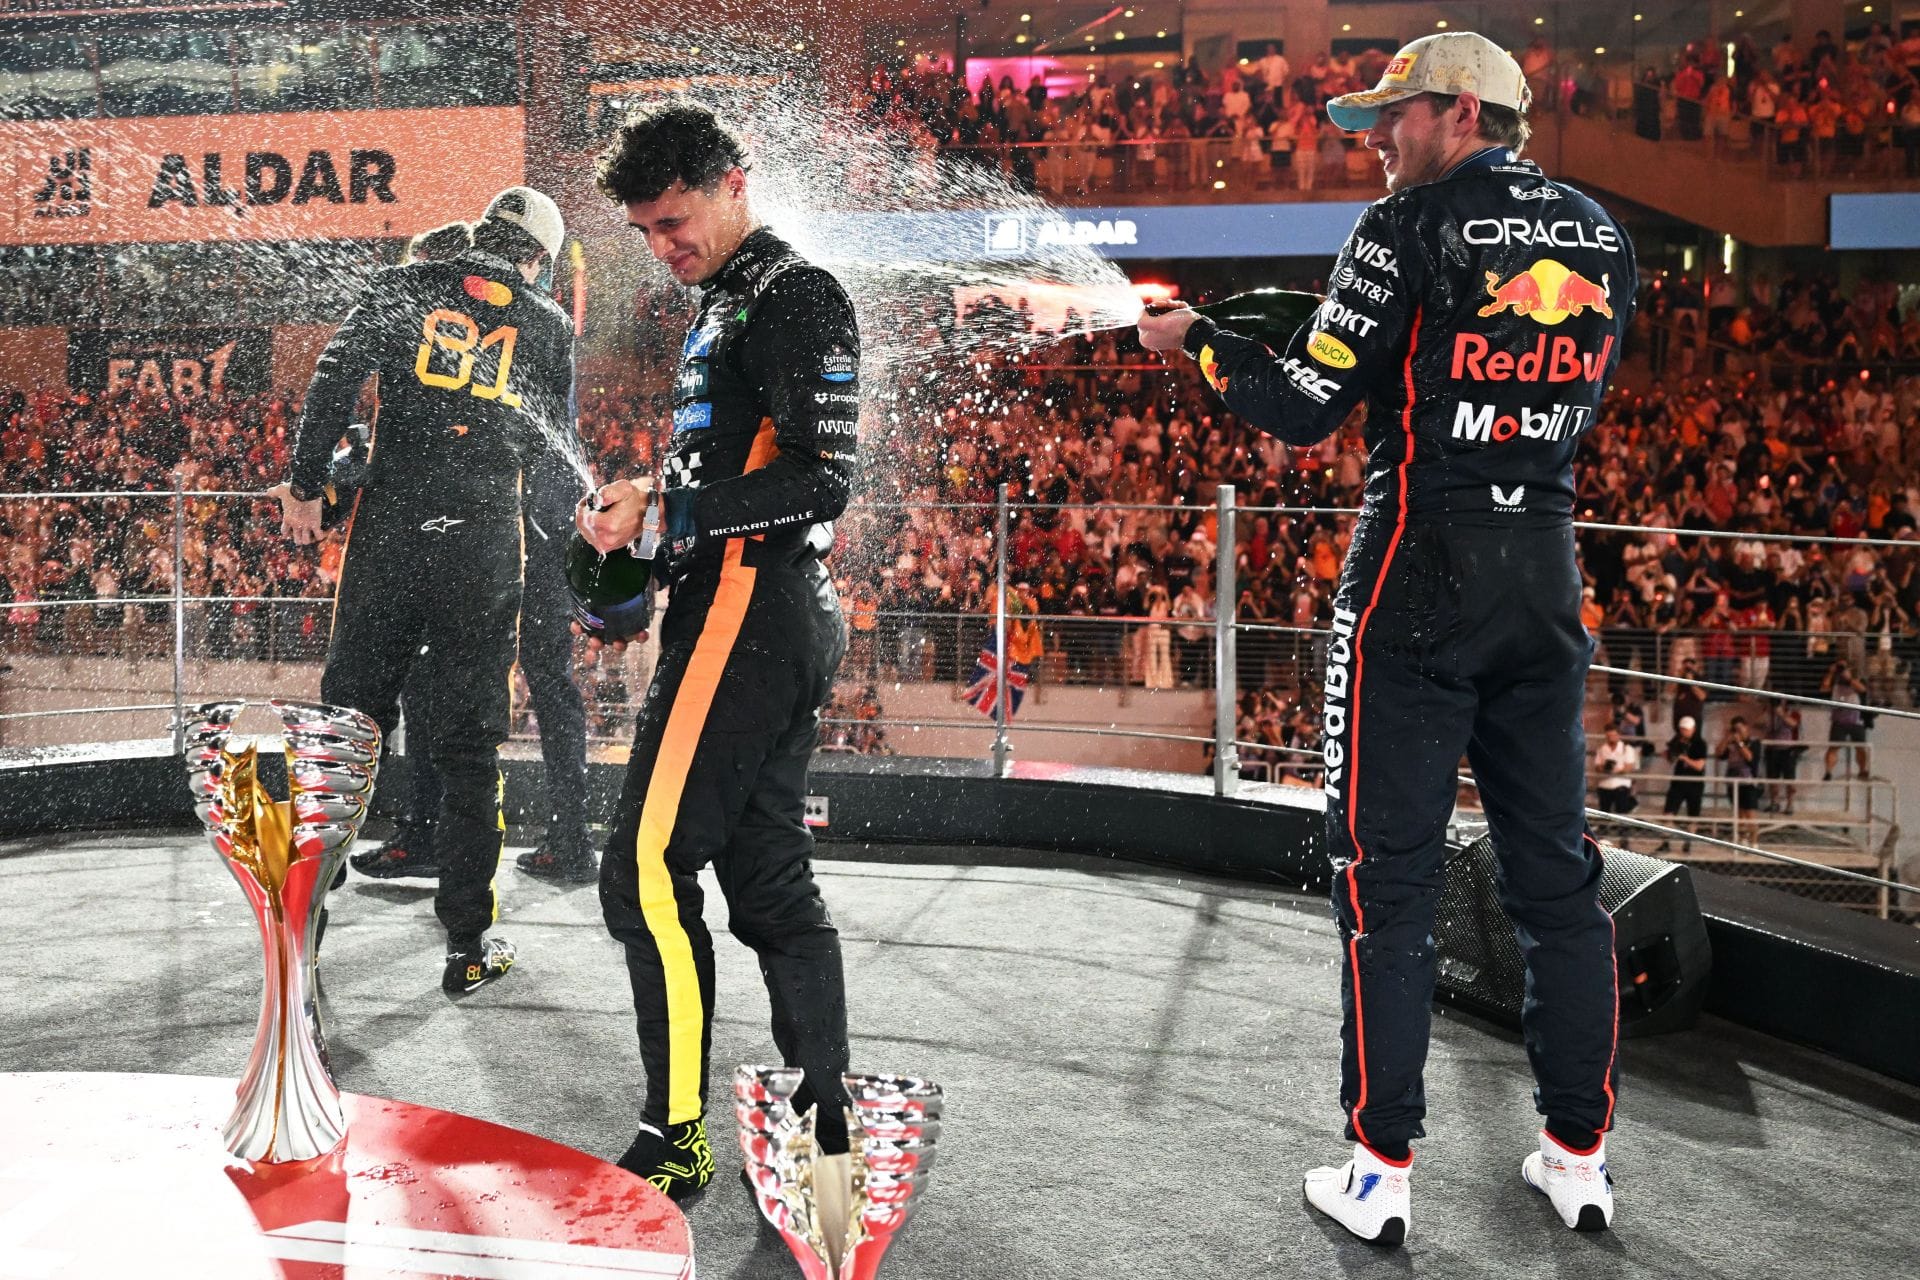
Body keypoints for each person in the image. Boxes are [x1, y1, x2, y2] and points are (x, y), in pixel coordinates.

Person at [1138, 30, 1634, 1243]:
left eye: (1392, 118)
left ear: (1459, 111)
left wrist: (1197, 341)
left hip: (1415, 578)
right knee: (1559, 883)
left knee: (1387, 884)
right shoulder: (1605, 233)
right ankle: (1579, 1155)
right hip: (1544, 579)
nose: (1376, 141)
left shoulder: (1402, 226)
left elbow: (1303, 405)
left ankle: (1378, 1170)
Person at [581, 101, 860, 1200]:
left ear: (735, 181)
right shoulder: (728, 303)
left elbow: (818, 478)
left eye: (676, 219)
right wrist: (642, 545)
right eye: (646, 230)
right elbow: (733, 480)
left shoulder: (795, 295)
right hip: (747, 610)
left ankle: (678, 1129)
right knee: (766, 881)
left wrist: (668, 505)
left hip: (753, 616)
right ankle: (821, 1119)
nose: (663, 245)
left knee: (642, 869)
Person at [273, 187, 575, 994]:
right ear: (537, 257)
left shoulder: (407, 285)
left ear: (479, 231)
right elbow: (555, 457)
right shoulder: (550, 324)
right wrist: (562, 559)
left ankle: (301, 933)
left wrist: (306, 480)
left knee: (347, 724)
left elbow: (335, 377)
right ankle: (468, 944)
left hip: (393, 529)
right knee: (472, 745)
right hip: (482, 539)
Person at [357, 222, 596, 886]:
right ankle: (567, 839)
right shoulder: (533, 323)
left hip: (500, 529)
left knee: (438, 681)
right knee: (546, 686)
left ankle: (429, 835)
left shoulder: (481, 330)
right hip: (543, 527)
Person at [1657, 716, 1708, 853]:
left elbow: (1699, 766)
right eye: (1682, 729)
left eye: (1686, 729)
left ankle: (1688, 843)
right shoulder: (1676, 740)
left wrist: (1684, 757)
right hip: (1678, 781)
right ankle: (1665, 842)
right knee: (1668, 812)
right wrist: (1669, 754)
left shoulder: (1699, 743)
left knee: (1693, 815)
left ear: (1693, 729)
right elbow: (1670, 758)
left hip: (1694, 783)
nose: (1684, 732)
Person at [1592, 724, 1639, 836]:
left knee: (1622, 813)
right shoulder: (1602, 749)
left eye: (1613, 735)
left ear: (1618, 735)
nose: (1611, 738)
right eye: (1608, 736)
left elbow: (1629, 767)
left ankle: (1624, 838)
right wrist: (1605, 767)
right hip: (1605, 785)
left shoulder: (1626, 749)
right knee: (1603, 812)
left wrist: (1615, 770)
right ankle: (1602, 837)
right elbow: (1597, 766)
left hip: (1621, 785)